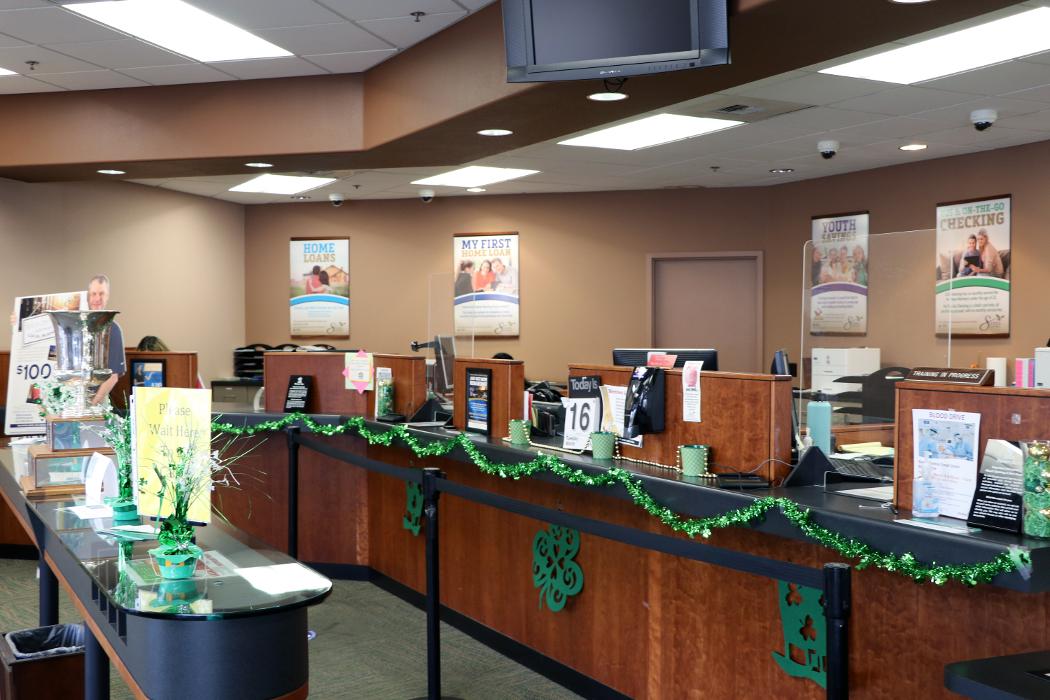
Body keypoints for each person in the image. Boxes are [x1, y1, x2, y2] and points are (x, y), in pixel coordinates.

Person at [87, 274, 126, 405]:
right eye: (94, 294)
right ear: (88, 296)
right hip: (73, 402)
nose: (97, 298)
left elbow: (113, 377)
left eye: (102, 294)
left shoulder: (113, 330)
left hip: (97, 405)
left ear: (107, 296)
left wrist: (92, 405)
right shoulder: (79, 326)